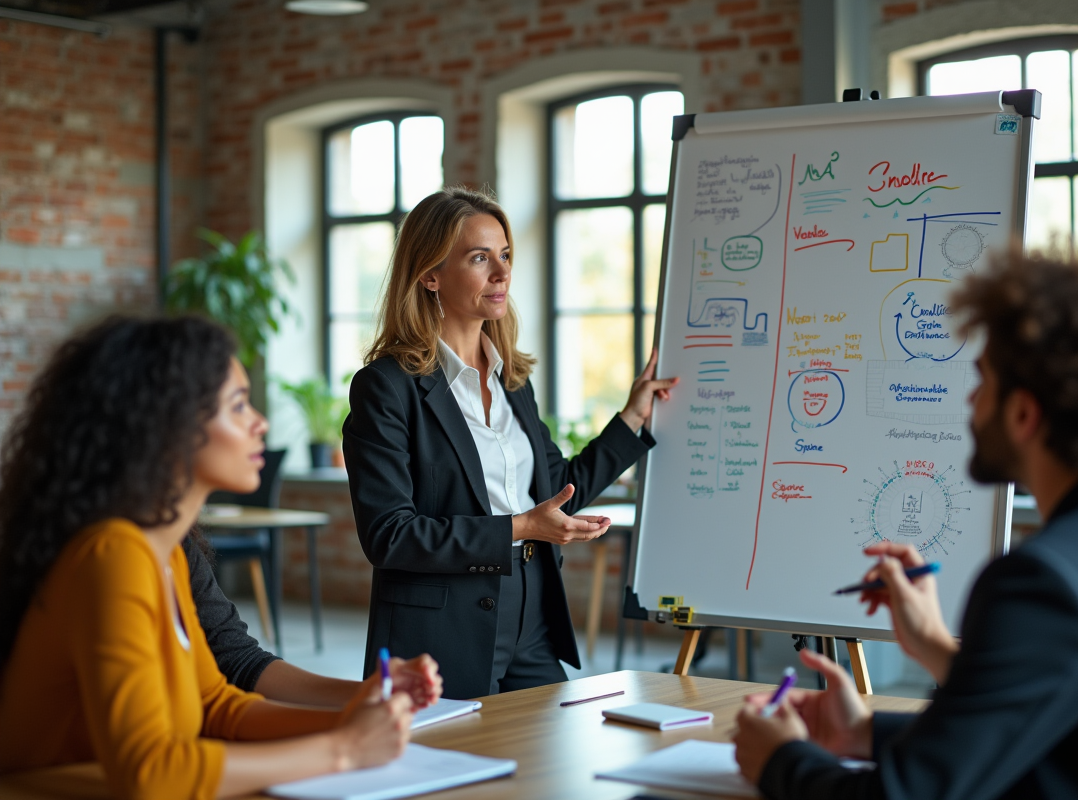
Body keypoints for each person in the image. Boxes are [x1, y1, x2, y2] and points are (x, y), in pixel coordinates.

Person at [732, 245, 1078, 799]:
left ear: (1024, 413)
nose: (971, 400)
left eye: (982, 381)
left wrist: (780, 760)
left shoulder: (1047, 582)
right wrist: (867, 724)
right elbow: (1067, 734)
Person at [0, 316, 436, 798]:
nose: (261, 423)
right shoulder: (113, 555)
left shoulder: (164, 555)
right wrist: (344, 748)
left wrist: (352, 718)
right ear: (167, 429)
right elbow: (149, 774)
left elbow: (217, 706)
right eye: (238, 405)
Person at [343, 186, 678, 698]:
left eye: (504, 255)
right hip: (441, 630)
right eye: (480, 258)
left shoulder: (512, 381)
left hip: (532, 610)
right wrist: (522, 526)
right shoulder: (386, 387)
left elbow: (558, 488)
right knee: (459, 773)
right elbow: (390, 535)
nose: (502, 273)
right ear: (430, 275)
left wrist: (632, 417)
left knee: (548, 764)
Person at [185, 525, 441, 707]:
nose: (259, 444)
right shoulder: (152, 555)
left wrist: (363, 693)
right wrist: (342, 748)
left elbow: (237, 661)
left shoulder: (181, 550)